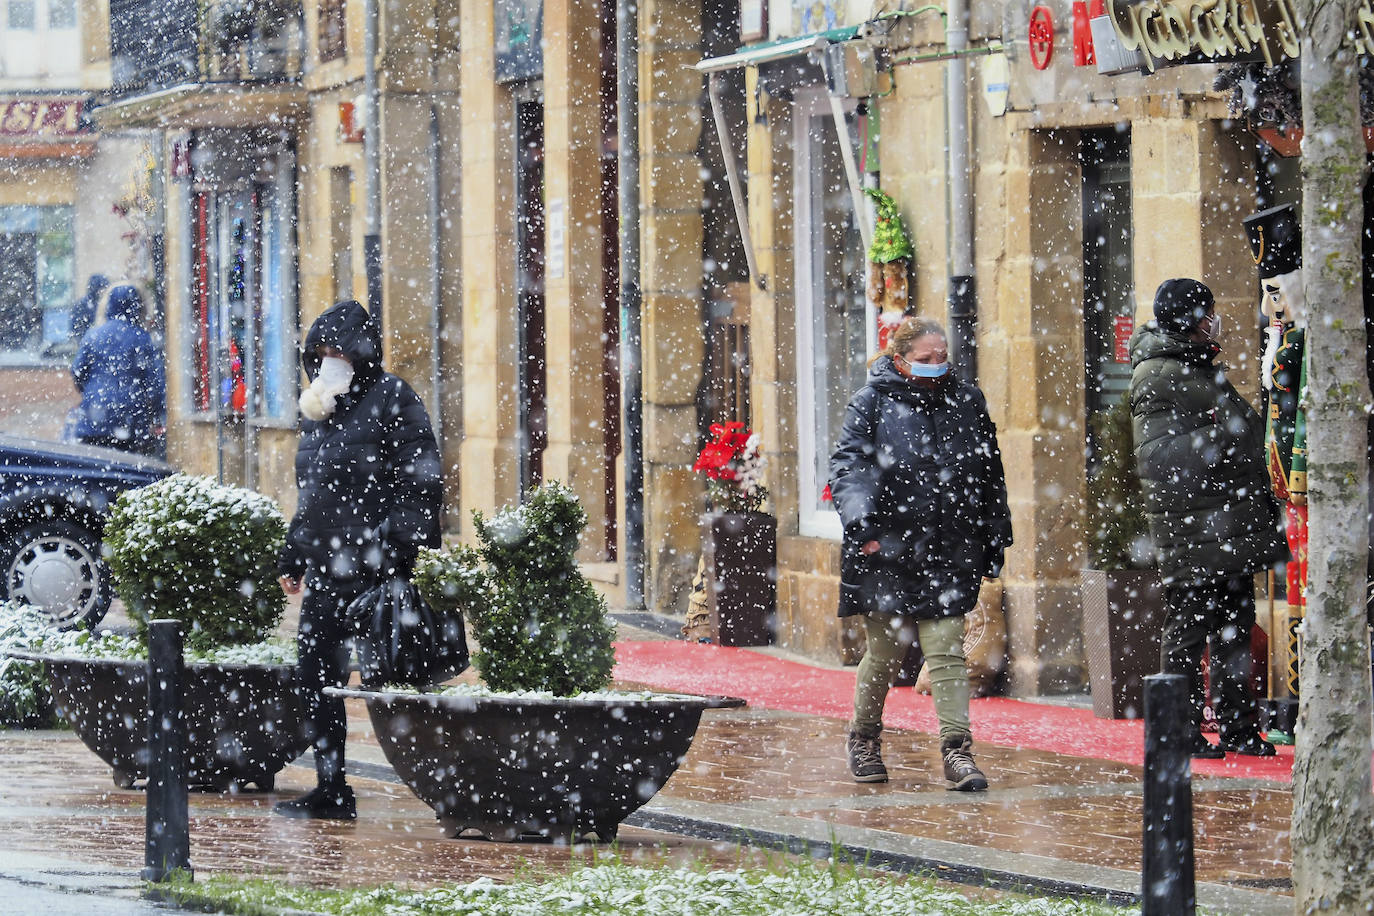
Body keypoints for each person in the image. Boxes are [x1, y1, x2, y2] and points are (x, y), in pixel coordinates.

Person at [275, 299, 443, 820]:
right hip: (329, 568)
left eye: (339, 350)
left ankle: (448, 787)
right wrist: (294, 551)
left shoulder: (392, 397)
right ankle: (331, 785)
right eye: (321, 351)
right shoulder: (320, 410)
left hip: (376, 568)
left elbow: (422, 479)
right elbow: (314, 493)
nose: (330, 359)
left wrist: (396, 549)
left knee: (397, 680)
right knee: (313, 676)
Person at [829, 316, 1012, 790]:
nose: (936, 366)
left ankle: (957, 752)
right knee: (885, 652)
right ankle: (864, 737)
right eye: (925, 359)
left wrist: (994, 533)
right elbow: (850, 465)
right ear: (899, 359)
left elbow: (989, 472)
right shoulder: (871, 402)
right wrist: (863, 525)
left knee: (946, 649)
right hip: (887, 547)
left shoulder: (966, 401)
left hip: (949, 545)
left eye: (942, 358)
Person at [1129, 278, 1287, 759]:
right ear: (1189, 319)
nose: (1214, 319)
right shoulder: (1158, 374)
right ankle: (1180, 729)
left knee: (1235, 627)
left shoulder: (1197, 367)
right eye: (1207, 311)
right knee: (1189, 631)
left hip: (1226, 522)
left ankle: (1239, 729)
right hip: (1195, 528)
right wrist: (1225, 442)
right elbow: (1158, 459)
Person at [70, 284, 165, 456]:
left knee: (94, 470)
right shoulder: (142, 339)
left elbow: (77, 371)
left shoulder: (93, 335)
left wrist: (92, 393)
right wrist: (155, 414)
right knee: (127, 473)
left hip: (94, 418)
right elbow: (154, 385)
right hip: (130, 419)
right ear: (137, 306)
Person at [69, 273, 109, 345]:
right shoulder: (83, 305)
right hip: (88, 342)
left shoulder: (105, 303)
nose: (104, 292)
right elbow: (77, 328)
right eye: (102, 289)